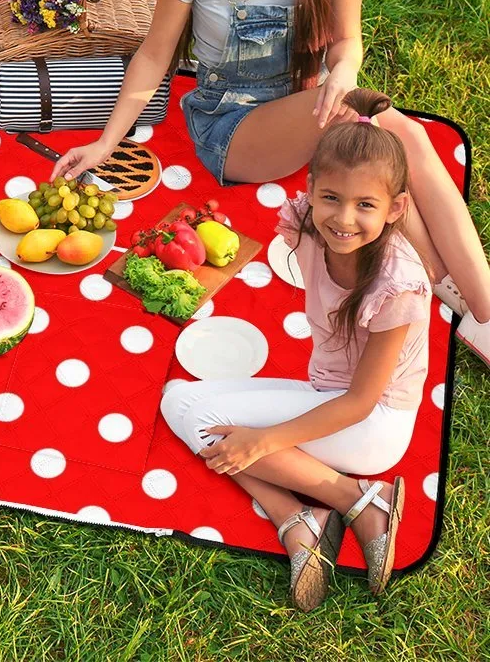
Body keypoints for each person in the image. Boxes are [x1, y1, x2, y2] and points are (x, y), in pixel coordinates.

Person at [51, 0, 490, 365]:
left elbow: (346, 42)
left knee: (398, 149)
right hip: (233, 126)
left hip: (315, 103)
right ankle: (483, 311)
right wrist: (106, 142)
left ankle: (459, 298)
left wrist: (345, 76)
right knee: (389, 130)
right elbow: (154, 55)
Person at [161, 90, 428, 610]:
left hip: (372, 424)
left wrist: (263, 442)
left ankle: (356, 500)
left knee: (205, 419)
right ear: (310, 190)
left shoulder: (398, 288)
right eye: (331, 197)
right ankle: (300, 514)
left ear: (395, 209)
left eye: (366, 205)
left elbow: (359, 402)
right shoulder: (306, 221)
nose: (343, 218)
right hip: (326, 393)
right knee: (176, 398)